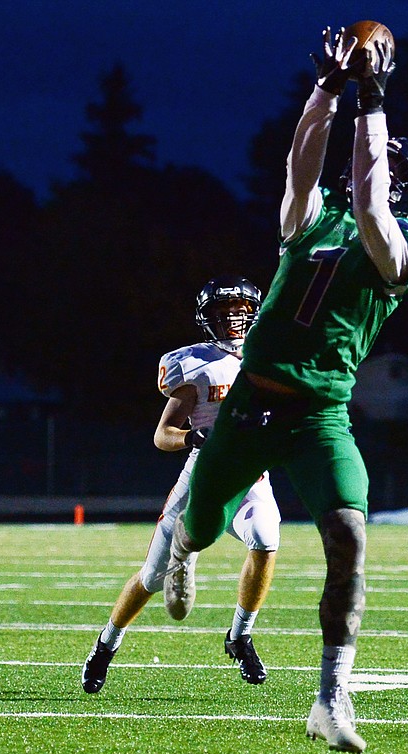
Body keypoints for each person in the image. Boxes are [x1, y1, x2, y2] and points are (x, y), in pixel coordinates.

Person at [160, 29, 408, 754]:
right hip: (247, 410)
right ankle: (183, 546)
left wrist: (372, 98)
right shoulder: (312, 222)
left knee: (348, 538)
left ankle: (329, 696)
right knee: (195, 528)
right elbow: (299, 167)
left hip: (319, 415)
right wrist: (326, 88)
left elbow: (378, 211)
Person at [82, 276, 281, 693]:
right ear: (207, 319)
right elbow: (163, 434)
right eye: (223, 313)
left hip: (249, 475)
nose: (233, 319)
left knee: (265, 539)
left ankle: (240, 636)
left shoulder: (270, 356)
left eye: (239, 311)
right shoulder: (198, 364)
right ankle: (105, 646)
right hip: (203, 475)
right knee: (153, 578)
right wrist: (193, 437)